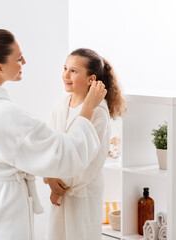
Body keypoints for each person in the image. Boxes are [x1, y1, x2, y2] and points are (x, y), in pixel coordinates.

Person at [0, 29, 107, 240]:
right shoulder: (5, 115)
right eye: (18, 57)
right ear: (0, 67)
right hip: (1, 212)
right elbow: (67, 154)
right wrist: (87, 110)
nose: (24, 61)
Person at [45, 48, 126, 240]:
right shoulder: (60, 107)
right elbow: (50, 145)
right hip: (59, 189)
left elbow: (92, 162)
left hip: (82, 192)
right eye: (65, 68)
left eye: (73, 71)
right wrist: (50, 178)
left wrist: (61, 186)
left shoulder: (98, 112)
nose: (65, 75)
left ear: (91, 79)